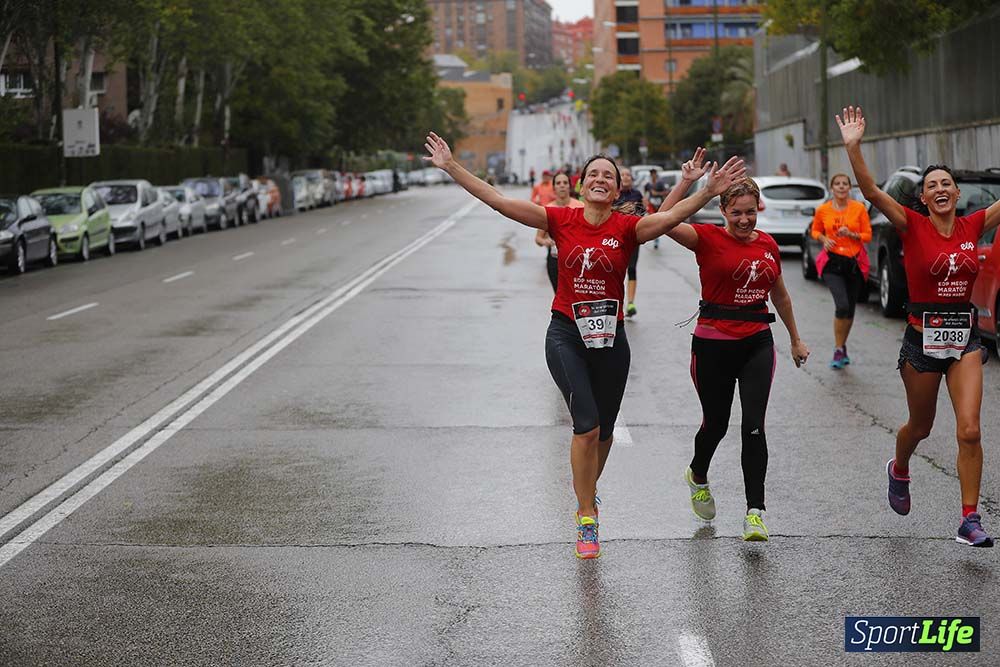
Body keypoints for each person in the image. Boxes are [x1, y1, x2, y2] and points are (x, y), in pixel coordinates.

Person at [423, 131, 746, 558]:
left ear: (615, 189)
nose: (600, 179)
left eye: (607, 176)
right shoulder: (560, 220)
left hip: (611, 340)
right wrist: (451, 167)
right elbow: (499, 201)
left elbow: (667, 220)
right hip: (566, 334)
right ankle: (586, 515)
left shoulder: (628, 228)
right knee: (587, 424)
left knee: (606, 431)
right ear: (581, 185)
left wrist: (704, 191)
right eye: (592, 173)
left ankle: (588, 491)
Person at [838, 105, 1000, 547]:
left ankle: (969, 518)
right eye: (932, 186)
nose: (941, 189)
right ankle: (900, 466)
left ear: (956, 191)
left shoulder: (973, 223)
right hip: (921, 339)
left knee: (970, 429)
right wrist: (853, 148)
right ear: (924, 199)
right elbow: (870, 190)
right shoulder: (911, 225)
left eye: (946, 183)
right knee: (921, 426)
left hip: (964, 338)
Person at [663, 176, 810, 542]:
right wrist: (688, 183)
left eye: (750, 212)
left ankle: (755, 512)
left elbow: (781, 296)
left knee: (754, 425)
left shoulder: (768, 245)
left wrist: (795, 338)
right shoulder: (707, 238)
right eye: (736, 213)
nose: (744, 220)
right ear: (723, 211)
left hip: (757, 343)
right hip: (712, 345)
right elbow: (662, 219)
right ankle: (697, 474)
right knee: (716, 424)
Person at [810, 173, 872, 368]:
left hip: (853, 263)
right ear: (832, 188)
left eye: (845, 184)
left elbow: (868, 235)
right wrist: (823, 240)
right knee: (842, 305)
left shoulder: (859, 209)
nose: (841, 187)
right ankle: (838, 350)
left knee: (850, 309)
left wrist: (852, 234)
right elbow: (815, 231)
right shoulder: (823, 210)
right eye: (837, 184)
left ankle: (842, 346)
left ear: (849, 188)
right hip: (832, 263)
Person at [535, 171, 584, 292]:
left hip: (576, 260)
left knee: (576, 296)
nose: (562, 185)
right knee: (559, 296)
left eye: (565, 183)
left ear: (569, 186)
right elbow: (538, 238)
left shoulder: (581, 207)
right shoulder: (547, 209)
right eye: (558, 183)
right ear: (554, 187)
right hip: (554, 259)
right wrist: (547, 242)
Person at [614, 168, 646, 317]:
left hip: (632, 237)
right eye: (623, 175)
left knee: (632, 268)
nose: (626, 177)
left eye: (628, 175)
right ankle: (616, 303)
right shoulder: (614, 194)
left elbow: (645, 212)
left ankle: (631, 303)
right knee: (616, 270)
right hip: (616, 237)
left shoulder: (637, 195)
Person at [644, 169, 669, 249]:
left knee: (657, 221)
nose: (653, 175)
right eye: (651, 174)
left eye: (654, 174)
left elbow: (666, 192)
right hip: (651, 204)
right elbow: (645, 194)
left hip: (659, 205)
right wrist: (646, 201)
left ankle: (656, 239)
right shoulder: (648, 184)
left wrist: (657, 193)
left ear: (656, 174)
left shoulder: (660, 183)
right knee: (653, 221)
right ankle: (655, 238)